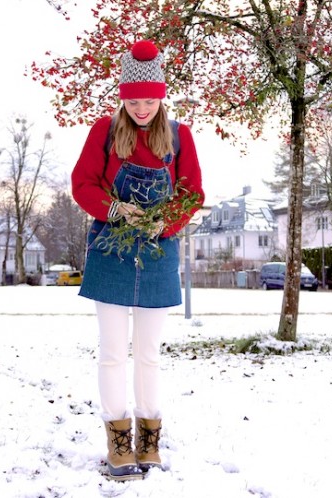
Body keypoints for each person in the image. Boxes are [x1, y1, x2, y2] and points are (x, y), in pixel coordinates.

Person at [71, 39, 204, 481]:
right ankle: (119, 441)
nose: (142, 108)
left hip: (157, 252)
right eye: (133, 100)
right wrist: (114, 210)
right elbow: (83, 184)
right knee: (112, 352)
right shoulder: (104, 133)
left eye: (149, 99)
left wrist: (163, 224)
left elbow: (192, 193)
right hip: (110, 249)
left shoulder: (180, 137)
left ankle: (150, 439)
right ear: (122, 98)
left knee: (147, 354)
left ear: (161, 97)